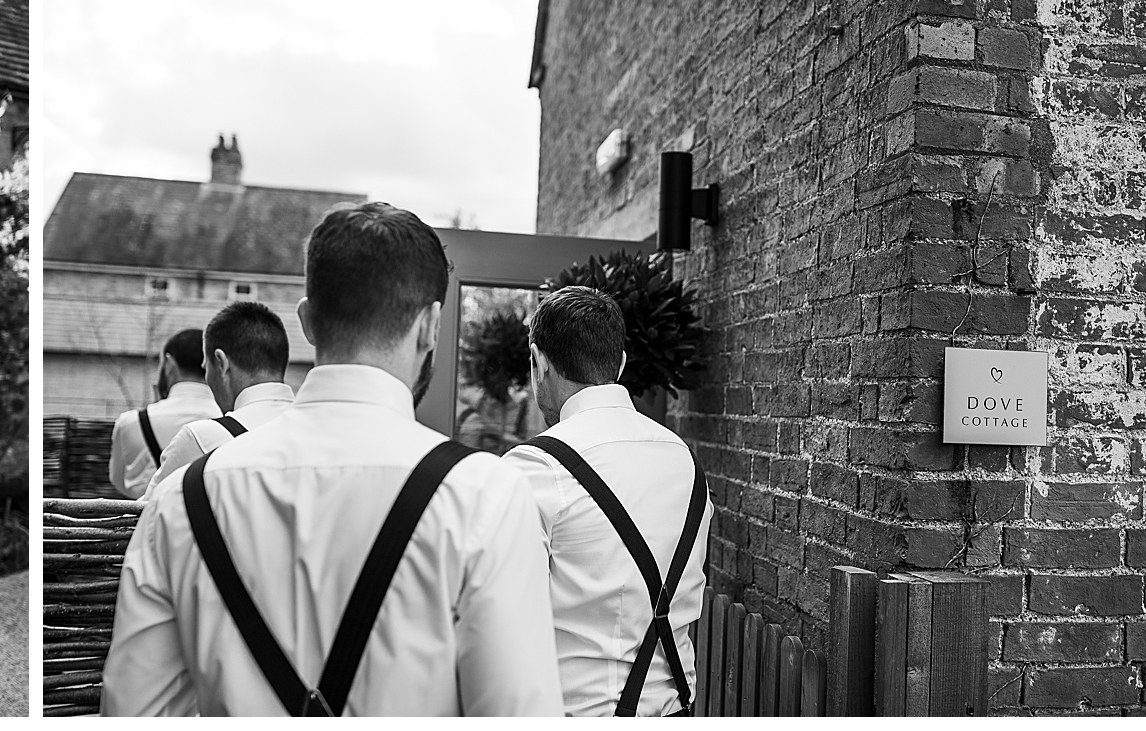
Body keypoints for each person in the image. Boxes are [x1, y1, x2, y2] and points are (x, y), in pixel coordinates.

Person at [102, 202, 559, 716]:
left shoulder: (179, 502)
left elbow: (134, 713)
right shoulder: (487, 498)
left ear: (306, 321)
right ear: (431, 326)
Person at [500, 286, 712, 717]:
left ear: (539, 362)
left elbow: (499, 626)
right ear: (620, 364)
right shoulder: (687, 463)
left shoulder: (533, 468)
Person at [148, 301, 295, 494]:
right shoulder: (326, 428)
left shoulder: (200, 439)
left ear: (221, 363)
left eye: (205, 368)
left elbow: (144, 516)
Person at [109, 328, 221, 499]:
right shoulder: (231, 418)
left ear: (169, 364)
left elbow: (118, 481)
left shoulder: (131, 423)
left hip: (144, 521)